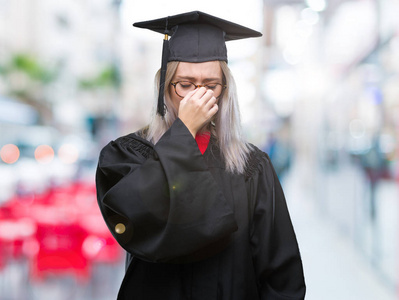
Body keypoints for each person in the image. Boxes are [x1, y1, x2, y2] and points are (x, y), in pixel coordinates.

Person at [96, 11, 306, 300]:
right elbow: (136, 221)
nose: (198, 97)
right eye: (185, 85)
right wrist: (184, 131)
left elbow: (281, 276)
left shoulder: (250, 166)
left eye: (210, 86)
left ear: (224, 91)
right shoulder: (128, 156)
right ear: (164, 88)